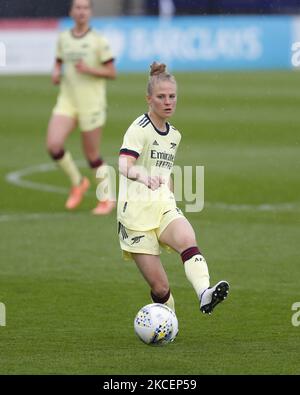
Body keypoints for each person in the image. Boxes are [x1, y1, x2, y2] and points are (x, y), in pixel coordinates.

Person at [118, 62, 229, 314]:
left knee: (187, 239)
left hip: (163, 206)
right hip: (135, 215)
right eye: (161, 97)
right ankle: (168, 324)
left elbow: (164, 169)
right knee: (160, 287)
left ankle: (204, 292)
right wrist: (142, 176)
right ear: (149, 99)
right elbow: (124, 164)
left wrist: (169, 191)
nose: (168, 102)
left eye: (172, 96)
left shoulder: (174, 135)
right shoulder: (139, 129)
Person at [46, 0, 116, 215]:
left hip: (91, 103)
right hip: (67, 101)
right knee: (53, 145)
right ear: (71, 11)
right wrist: (56, 72)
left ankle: (108, 198)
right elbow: (59, 61)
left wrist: (89, 69)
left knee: (92, 155)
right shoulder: (63, 38)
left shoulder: (99, 41)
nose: (81, 11)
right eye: (77, 7)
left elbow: (112, 72)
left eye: (85, 8)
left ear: (90, 12)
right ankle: (78, 182)